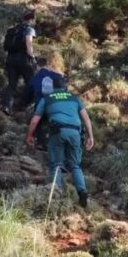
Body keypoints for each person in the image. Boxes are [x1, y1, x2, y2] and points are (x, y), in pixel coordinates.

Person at [26, 79, 94, 207]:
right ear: (65, 87)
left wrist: (30, 134)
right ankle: (82, 191)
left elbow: (35, 120)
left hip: (58, 131)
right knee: (75, 165)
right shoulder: (74, 98)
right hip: (75, 132)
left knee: (56, 165)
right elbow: (86, 119)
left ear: (53, 88)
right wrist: (90, 136)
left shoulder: (47, 97)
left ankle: (57, 196)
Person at [22, 58, 66, 150]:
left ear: (38, 66)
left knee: (39, 122)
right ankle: (53, 144)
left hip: (41, 102)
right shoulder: (57, 75)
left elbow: (29, 90)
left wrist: (24, 104)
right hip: (55, 103)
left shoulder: (37, 76)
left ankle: (40, 143)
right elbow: (63, 88)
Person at [2, 11, 37, 114]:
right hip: (23, 59)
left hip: (10, 59)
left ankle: (6, 106)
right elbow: (28, 43)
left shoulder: (13, 29)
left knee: (12, 84)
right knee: (31, 82)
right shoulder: (29, 29)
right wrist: (32, 57)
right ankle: (22, 106)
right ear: (31, 20)